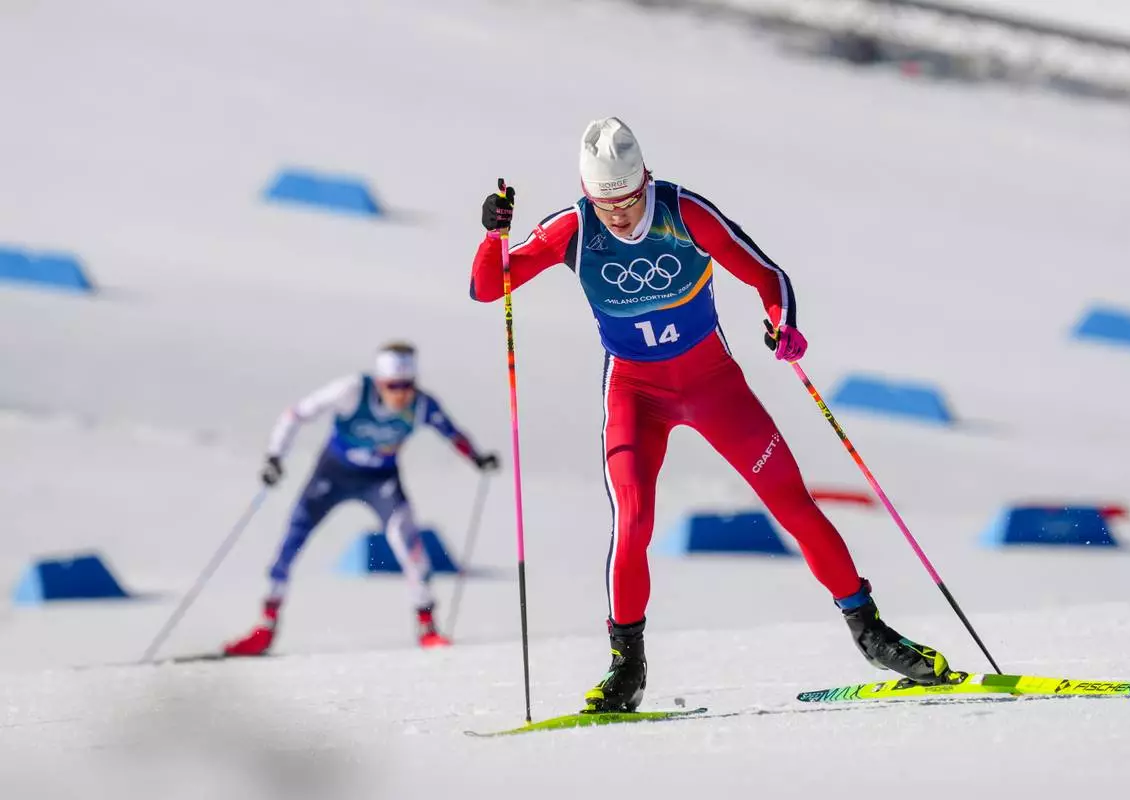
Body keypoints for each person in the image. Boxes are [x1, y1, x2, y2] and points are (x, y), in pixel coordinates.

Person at [468, 117, 954, 712]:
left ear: (645, 179)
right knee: (634, 520)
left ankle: (871, 632)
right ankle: (628, 666)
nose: (618, 214)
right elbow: (491, 287)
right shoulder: (571, 229)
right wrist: (493, 235)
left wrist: (782, 322)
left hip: (713, 384)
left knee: (792, 503)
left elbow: (767, 274)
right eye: (605, 202)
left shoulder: (685, 213)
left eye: (627, 198)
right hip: (635, 394)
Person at [223, 341, 500, 656]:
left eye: (408, 386)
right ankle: (265, 629)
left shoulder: (422, 405)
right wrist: (275, 457)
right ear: (380, 382)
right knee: (290, 543)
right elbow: (296, 414)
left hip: (380, 479)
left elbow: (452, 434)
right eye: (394, 386)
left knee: (407, 541)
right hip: (333, 474)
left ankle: (427, 628)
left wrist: (478, 459)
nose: (402, 395)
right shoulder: (352, 390)